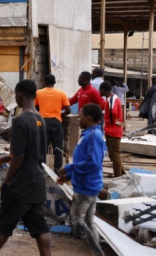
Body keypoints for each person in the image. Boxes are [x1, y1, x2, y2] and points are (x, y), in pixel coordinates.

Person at [0, 80, 51, 256]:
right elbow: (33, 153)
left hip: (20, 186)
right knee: (40, 228)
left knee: (2, 228)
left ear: (20, 94)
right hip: (36, 183)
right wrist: (4, 158)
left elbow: (20, 156)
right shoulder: (40, 120)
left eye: (16, 95)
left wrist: (7, 181)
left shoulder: (21, 120)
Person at [58, 104, 106, 256]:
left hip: (87, 186)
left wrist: (69, 169)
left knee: (78, 221)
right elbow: (85, 160)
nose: (79, 118)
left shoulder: (93, 136)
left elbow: (93, 163)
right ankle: (96, 251)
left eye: (81, 115)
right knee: (89, 221)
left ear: (89, 118)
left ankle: (97, 252)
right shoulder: (89, 134)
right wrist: (69, 176)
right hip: (86, 184)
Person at [35, 74, 71, 172]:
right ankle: (57, 171)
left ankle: (42, 170)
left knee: (43, 149)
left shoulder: (38, 93)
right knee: (58, 149)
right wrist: (62, 115)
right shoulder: (61, 93)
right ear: (54, 83)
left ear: (44, 82)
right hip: (56, 122)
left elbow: (36, 107)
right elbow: (68, 109)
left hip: (43, 123)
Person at [99, 81, 125, 177]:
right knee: (113, 154)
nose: (99, 91)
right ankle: (121, 173)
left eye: (100, 90)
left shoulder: (111, 99)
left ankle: (118, 176)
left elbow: (113, 112)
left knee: (115, 155)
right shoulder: (111, 99)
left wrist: (111, 122)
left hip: (113, 130)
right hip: (113, 129)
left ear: (103, 90)